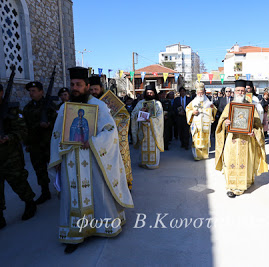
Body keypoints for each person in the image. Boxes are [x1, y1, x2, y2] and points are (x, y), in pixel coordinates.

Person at [49, 67, 133, 253]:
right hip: (71, 159)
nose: (75, 88)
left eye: (79, 84)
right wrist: (60, 151)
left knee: (98, 193)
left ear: (87, 86)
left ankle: (101, 227)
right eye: (72, 85)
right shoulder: (65, 108)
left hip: (93, 159)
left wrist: (93, 141)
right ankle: (76, 234)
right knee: (73, 198)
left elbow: (110, 131)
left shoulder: (99, 106)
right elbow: (56, 134)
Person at [215, 79, 268, 198]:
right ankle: (231, 186)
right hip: (232, 140)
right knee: (230, 161)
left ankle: (245, 183)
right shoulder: (229, 106)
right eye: (238, 90)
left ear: (246, 92)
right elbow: (220, 123)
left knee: (245, 162)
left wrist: (254, 132)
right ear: (234, 91)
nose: (240, 92)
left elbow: (257, 125)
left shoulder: (251, 106)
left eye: (243, 90)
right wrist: (225, 123)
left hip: (246, 141)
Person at [0, 84, 36, 229]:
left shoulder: (12, 110)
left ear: (1, 93)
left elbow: (23, 130)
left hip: (11, 155)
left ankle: (30, 203)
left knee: (19, 182)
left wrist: (9, 137)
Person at [23, 81, 57, 205]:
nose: (31, 93)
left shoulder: (50, 105)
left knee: (57, 168)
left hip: (49, 143)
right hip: (35, 143)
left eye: (34, 91)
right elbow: (25, 127)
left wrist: (49, 125)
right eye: (30, 91)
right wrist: (27, 143)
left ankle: (63, 189)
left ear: (41, 92)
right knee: (39, 169)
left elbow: (58, 123)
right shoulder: (27, 108)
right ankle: (45, 192)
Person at [131, 84, 164, 169]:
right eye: (148, 92)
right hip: (143, 129)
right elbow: (133, 114)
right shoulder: (140, 103)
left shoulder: (157, 104)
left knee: (153, 146)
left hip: (153, 130)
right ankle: (144, 163)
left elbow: (160, 117)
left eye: (151, 93)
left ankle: (153, 164)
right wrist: (140, 111)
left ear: (154, 93)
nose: (149, 94)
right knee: (143, 146)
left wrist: (151, 120)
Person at [185, 82, 217, 160]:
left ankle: (204, 155)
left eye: (202, 92)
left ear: (204, 92)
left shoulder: (207, 101)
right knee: (196, 140)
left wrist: (212, 108)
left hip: (205, 124)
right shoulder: (194, 101)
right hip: (197, 125)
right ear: (196, 93)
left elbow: (214, 110)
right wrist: (192, 112)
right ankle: (197, 156)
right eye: (199, 93)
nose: (200, 94)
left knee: (205, 140)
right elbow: (187, 109)